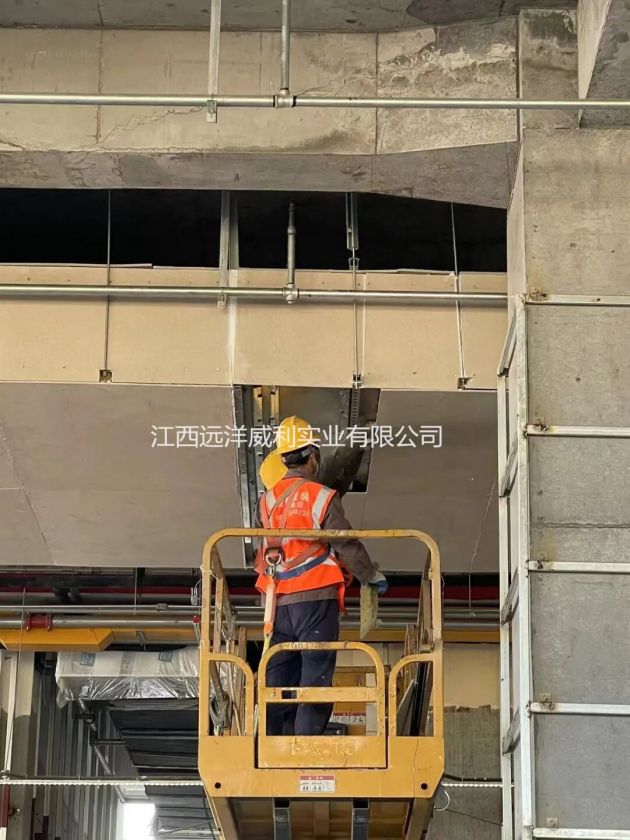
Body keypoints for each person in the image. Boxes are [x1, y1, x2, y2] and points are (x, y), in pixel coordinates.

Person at [254, 416, 388, 736]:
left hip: (276, 602)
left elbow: (266, 548)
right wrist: (369, 575)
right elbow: (345, 542)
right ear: (313, 456)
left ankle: (268, 745)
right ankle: (306, 747)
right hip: (314, 595)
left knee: (278, 678)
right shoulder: (322, 496)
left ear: (283, 458)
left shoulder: (266, 501)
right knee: (315, 677)